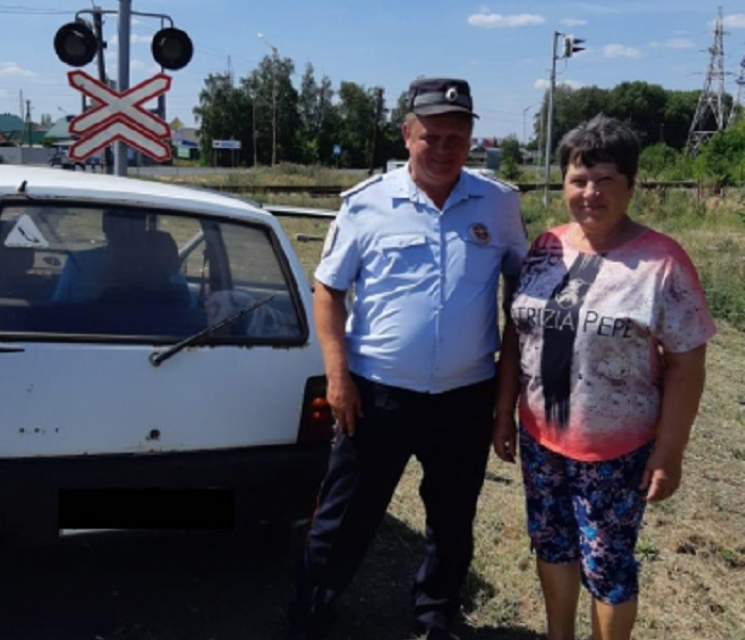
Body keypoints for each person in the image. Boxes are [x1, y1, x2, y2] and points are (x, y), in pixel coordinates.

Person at [288, 77, 529, 640]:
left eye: (456, 137)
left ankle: (434, 616)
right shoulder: (367, 203)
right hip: (375, 393)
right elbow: (328, 291)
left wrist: (504, 401)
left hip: (465, 395)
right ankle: (310, 611)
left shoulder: (499, 203)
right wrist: (337, 377)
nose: (443, 149)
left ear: (473, 138)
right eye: (431, 137)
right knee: (345, 516)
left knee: (451, 518)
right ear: (407, 134)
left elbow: (519, 297)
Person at [492, 114, 717, 640]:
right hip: (541, 438)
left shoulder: (661, 262)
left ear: (632, 185)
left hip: (616, 451)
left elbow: (687, 362)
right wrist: (504, 410)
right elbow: (516, 333)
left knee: (608, 564)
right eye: (578, 178)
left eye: (606, 179)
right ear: (563, 181)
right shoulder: (546, 247)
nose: (590, 191)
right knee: (552, 543)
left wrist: (670, 449)